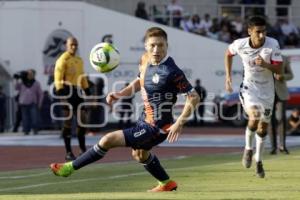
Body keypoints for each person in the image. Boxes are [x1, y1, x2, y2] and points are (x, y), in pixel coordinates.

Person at [50, 27, 200, 192]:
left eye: (161, 46)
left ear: (166, 46)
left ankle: (69, 168)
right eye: (152, 45)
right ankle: (166, 183)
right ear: (146, 46)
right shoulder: (145, 61)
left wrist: (180, 122)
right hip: (145, 120)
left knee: (108, 139)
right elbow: (138, 82)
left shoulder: (172, 71)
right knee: (139, 155)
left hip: (158, 126)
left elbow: (194, 97)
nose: (156, 50)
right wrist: (120, 94)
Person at [224, 16, 283, 178]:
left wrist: (265, 65)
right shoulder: (240, 44)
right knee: (254, 115)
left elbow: (279, 70)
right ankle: (248, 149)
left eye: (264, 31)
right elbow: (228, 54)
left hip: (267, 92)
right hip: (249, 88)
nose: (262, 35)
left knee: (263, 128)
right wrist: (228, 76)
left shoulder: (273, 44)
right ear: (250, 31)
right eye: (258, 32)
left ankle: (259, 161)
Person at [54, 37, 91, 161]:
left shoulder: (79, 60)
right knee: (68, 122)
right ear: (66, 45)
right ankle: (68, 152)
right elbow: (57, 78)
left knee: (83, 120)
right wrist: (61, 94)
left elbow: (82, 76)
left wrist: (87, 89)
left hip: (77, 92)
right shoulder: (63, 59)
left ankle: (82, 149)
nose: (74, 47)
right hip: (66, 91)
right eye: (71, 44)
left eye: (75, 44)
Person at [269, 55, 293, 155]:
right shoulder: (262, 58)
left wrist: (283, 76)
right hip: (267, 94)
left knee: (281, 119)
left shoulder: (284, 58)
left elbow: (290, 75)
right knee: (270, 120)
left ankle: (282, 146)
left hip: (281, 93)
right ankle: (273, 147)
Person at [15, 69, 43, 135]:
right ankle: (26, 131)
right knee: (25, 119)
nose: (29, 75)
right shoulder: (22, 82)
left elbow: (40, 94)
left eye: (31, 74)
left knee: (34, 118)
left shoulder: (36, 83)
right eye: (28, 74)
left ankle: (35, 130)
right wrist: (17, 80)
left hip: (33, 103)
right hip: (23, 103)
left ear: (33, 75)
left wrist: (40, 103)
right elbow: (16, 88)